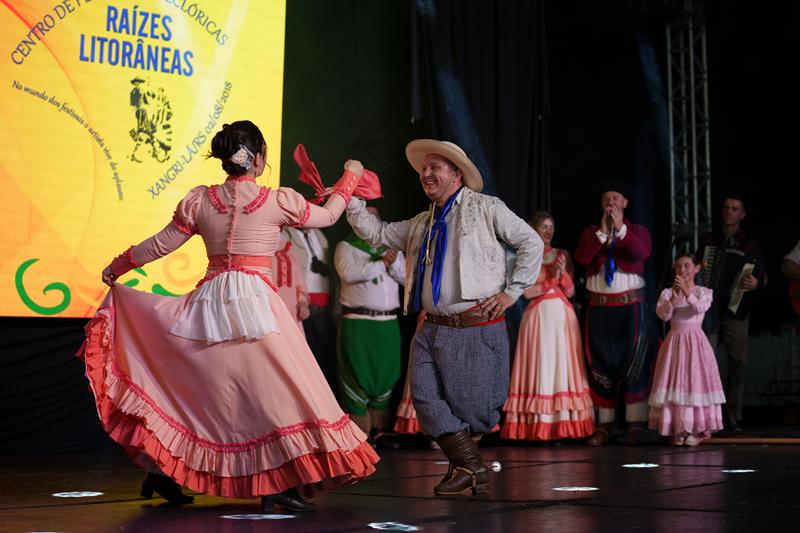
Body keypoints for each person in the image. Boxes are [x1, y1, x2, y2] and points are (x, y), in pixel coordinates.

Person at [79, 121, 378, 513]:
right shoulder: (276, 201)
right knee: (276, 393)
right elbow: (328, 216)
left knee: (204, 396)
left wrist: (119, 266)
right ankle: (272, 484)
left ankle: (165, 471)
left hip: (210, 305)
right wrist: (350, 176)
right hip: (255, 305)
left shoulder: (203, 200)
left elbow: (162, 243)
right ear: (259, 158)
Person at [346, 139, 542, 495]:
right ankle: (471, 465)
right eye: (424, 168)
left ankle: (468, 467)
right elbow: (377, 232)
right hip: (431, 327)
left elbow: (532, 242)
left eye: (434, 167)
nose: (426, 173)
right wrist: (350, 199)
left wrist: (511, 293)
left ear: (456, 174)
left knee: (475, 409)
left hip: (475, 326)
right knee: (423, 398)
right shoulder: (422, 223)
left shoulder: (486, 208)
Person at [501, 212, 594, 442]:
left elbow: (570, 292)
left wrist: (562, 276)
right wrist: (552, 278)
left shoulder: (562, 254)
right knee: (542, 366)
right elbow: (527, 292)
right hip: (538, 318)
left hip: (561, 317)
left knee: (561, 366)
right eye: (544, 226)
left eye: (551, 227)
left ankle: (564, 424)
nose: (548, 231)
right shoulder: (527, 255)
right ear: (533, 228)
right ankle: (538, 425)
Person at [574, 182, 655, 446]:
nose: (611, 202)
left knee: (634, 363)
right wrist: (602, 233)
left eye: (616, 198)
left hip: (630, 308)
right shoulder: (591, 233)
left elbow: (640, 252)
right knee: (599, 364)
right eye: (606, 198)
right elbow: (582, 258)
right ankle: (604, 425)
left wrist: (619, 229)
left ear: (625, 204)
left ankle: (635, 424)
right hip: (599, 309)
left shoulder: (637, 231)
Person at [334, 206, 405, 444]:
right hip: (359, 322)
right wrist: (380, 263)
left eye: (374, 218)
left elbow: (407, 277)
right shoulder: (346, 246)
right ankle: (359, 432)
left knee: (386, 373)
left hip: (388, 321)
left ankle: (380, 429)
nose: (369, 221)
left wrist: (392, 263)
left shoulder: (391, 247)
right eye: (365, 217)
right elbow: (348, 274)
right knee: (356, 373)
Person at [698, 194, 766, 431]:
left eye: (735, 208)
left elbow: (763, 277)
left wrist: (756, 283)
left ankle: (733, 414)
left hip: (735, 309)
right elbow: (696, 271)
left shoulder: (751, 245)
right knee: (705, 361)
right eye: (726, 207)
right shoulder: (709, 241)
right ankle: (707, 414)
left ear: (742, 214)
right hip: (709, 309)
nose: (729, 212)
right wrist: (701, 272)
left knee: (738, 361)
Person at [649, 253, 726, 446]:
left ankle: (698, 428)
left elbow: (701, 308)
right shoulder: (668, 293)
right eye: (678, 266)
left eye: (686, 266)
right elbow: (663, 316)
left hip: (695, 342)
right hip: (675, 341)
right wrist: (673, 300)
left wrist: (686, 292)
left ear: (697, 268)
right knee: (675, 383)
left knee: (694, 382)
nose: (681, 270)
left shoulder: (703, 291)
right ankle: (678, 428)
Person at [283, 225, 337, 388]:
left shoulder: (319, 235)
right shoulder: (287, 233)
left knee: (326, 361)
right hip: (300, 308)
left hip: (324, 310)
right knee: (306, 360)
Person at [271, 229, 310, 333]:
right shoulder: (259, 250)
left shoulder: (289, 250)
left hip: (292, 309)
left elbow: (300, 281)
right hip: (270, 308)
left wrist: (302, 302)